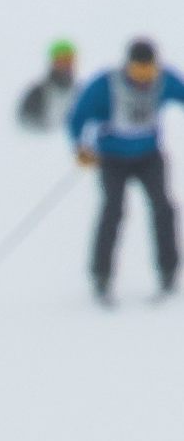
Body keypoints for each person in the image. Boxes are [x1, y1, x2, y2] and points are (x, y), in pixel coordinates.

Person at [68, 37, 184, 302]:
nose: (144, 77)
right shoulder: (105, 85)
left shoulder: (164, 81)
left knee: (163, 208)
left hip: (149, 157)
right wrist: (81, 147)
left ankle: (169, 270)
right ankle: (101, 275)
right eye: (138, 71)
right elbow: (78, 116)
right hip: (112, 159)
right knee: (113, 211)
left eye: (148, 71)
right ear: (128, 66)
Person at [16, 41, 77, 132]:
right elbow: (25, 124)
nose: (66, 65)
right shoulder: (38, 92)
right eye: (61, 60)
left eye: (68, 60)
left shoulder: (80, 92)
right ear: (53, 62)